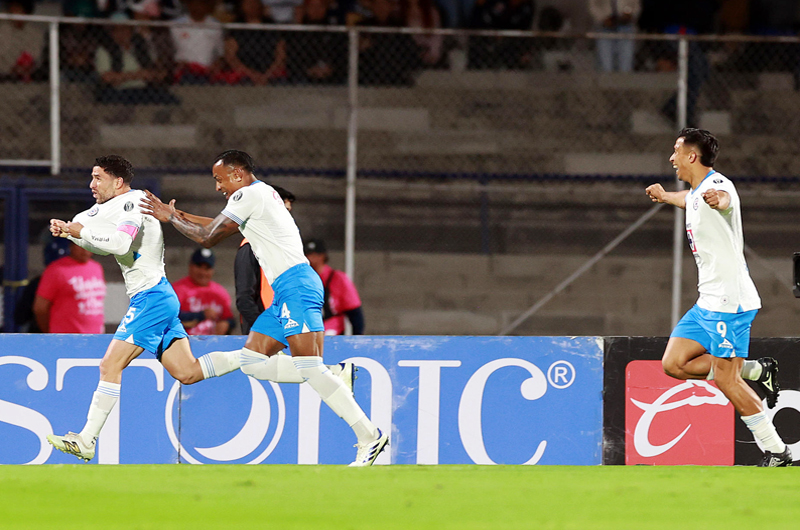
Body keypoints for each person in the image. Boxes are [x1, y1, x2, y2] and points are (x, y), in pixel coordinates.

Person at [46, 155, 354, 463]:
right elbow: (96, 238)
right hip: (159, 297)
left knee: (109, 366)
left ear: (118, 181)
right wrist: (70, 229)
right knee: (188, 372)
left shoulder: (134, 203)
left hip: (150, 298)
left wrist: (79, 231)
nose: (92, 183)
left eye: (97, 177)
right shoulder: (107, 207)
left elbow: (119, 244)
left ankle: (87, 440)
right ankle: (329, 374)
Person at [140, 150, 388, 466]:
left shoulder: (247, 194)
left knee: (309, 366)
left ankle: (369, 435)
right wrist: (176, 215)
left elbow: (208, 238)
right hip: (287, 291)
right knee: (254, 363)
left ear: (238, 174)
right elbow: (214, 225)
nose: (218, 188)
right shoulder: (259, 195)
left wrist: (171, 218)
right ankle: (335, 376)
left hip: (296, 285)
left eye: (219, 179)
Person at [645, 128, 791, 467]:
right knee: (674, 364)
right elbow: (692, 199)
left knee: (728, 381)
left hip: (730, 304)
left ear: (692, 156)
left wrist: (717, 201)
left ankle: (776, 450)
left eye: (676, 151)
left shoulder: (718, 186)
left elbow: (721, 199)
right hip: (706, 303)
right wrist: (668, 196)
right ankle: (756, 369)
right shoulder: (696, 192)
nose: (672, 158)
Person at [235, 185, 295, 335]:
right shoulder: (250, 248)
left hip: (286, 332)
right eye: (284, 211)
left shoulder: (284, 249)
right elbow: (244, 299)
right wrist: (266, 331)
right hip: (264, 339)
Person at [33, 242, 107, 334]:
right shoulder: (56, 270)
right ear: (71, 246)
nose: (85, 250)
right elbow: (40, 308)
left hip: (95, 336)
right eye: (80, 246)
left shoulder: (96, 268)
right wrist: (50, 331)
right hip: (66, 337)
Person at [304, 239, 365, 336]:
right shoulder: (300, 280)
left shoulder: (338, 279)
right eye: (307, 255)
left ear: (323, 256)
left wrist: (356, 340)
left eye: (314, 255)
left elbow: (355, 313)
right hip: (306, 331)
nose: (310, 259)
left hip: (332, 331)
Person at [14, 236, 72, 333]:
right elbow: (20, 317)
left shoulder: (37, 283)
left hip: (50, 336)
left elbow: (20, 317)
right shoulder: (36, 284)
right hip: (51, 336)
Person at [173, 248, 235, 335]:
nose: (202, 272)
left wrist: (227, 324)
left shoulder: (220, 292)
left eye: (207, 268)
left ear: (212, 270)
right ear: (190, 266)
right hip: (184, 342)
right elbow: (168, 316)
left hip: (213, 343)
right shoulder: (177, 289)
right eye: (199, 267)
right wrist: (200, 315)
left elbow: (230, 318)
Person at [223, 0, 287, 85]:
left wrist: (266, 76)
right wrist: (252, 75)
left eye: (255, 3)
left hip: (270, 73)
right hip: (244, 75)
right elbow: (231, 57)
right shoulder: (236, 27)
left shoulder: (272, 26)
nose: (252, 6)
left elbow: (281, 55)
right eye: (249, 3)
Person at [589, 0, 640, 73]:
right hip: (604, 28)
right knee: (605, 66)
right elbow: (593, 5)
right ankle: (606, 83)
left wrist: (630, 14)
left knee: (626, 66)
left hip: (625, 27)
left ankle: (624, 83)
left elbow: (636, 6)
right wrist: (601, 18)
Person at [0, 0, 42, 83]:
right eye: (11, 9)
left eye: (17, 9)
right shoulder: (3, 29)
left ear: (26, 12)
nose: (13, 12)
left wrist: (24, 68)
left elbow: (35, 58)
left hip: (25, 76)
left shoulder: (35, 33)